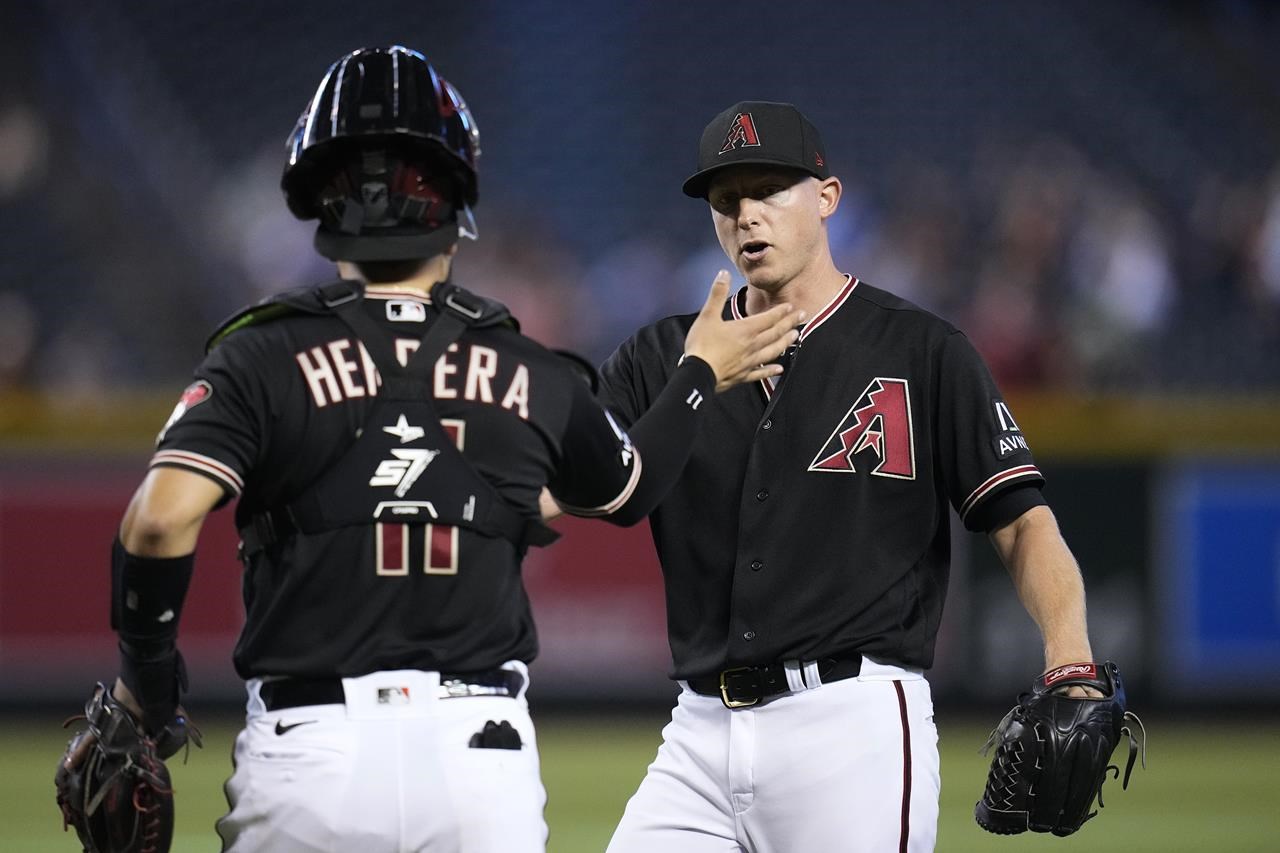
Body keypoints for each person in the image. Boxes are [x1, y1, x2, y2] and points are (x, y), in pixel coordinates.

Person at [99, 53, 800, 853]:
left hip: (308, 749)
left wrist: (145, 689)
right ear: (457, 196)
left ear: (317, 193)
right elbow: (629, 488)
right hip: (480, 760)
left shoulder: (259, 355)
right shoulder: (529, 364)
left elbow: (158, 523)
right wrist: (702, 372)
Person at [596, 101, 1099, 852]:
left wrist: (1071, 659)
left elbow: (1023, 522)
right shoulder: (660, 357)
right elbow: (590, 485)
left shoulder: (922, 350)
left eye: (770, 189)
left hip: (852, 724)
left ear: (828, 198)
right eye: (727, 200)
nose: (747, 215)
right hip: (697, 732)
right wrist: (695, 380)